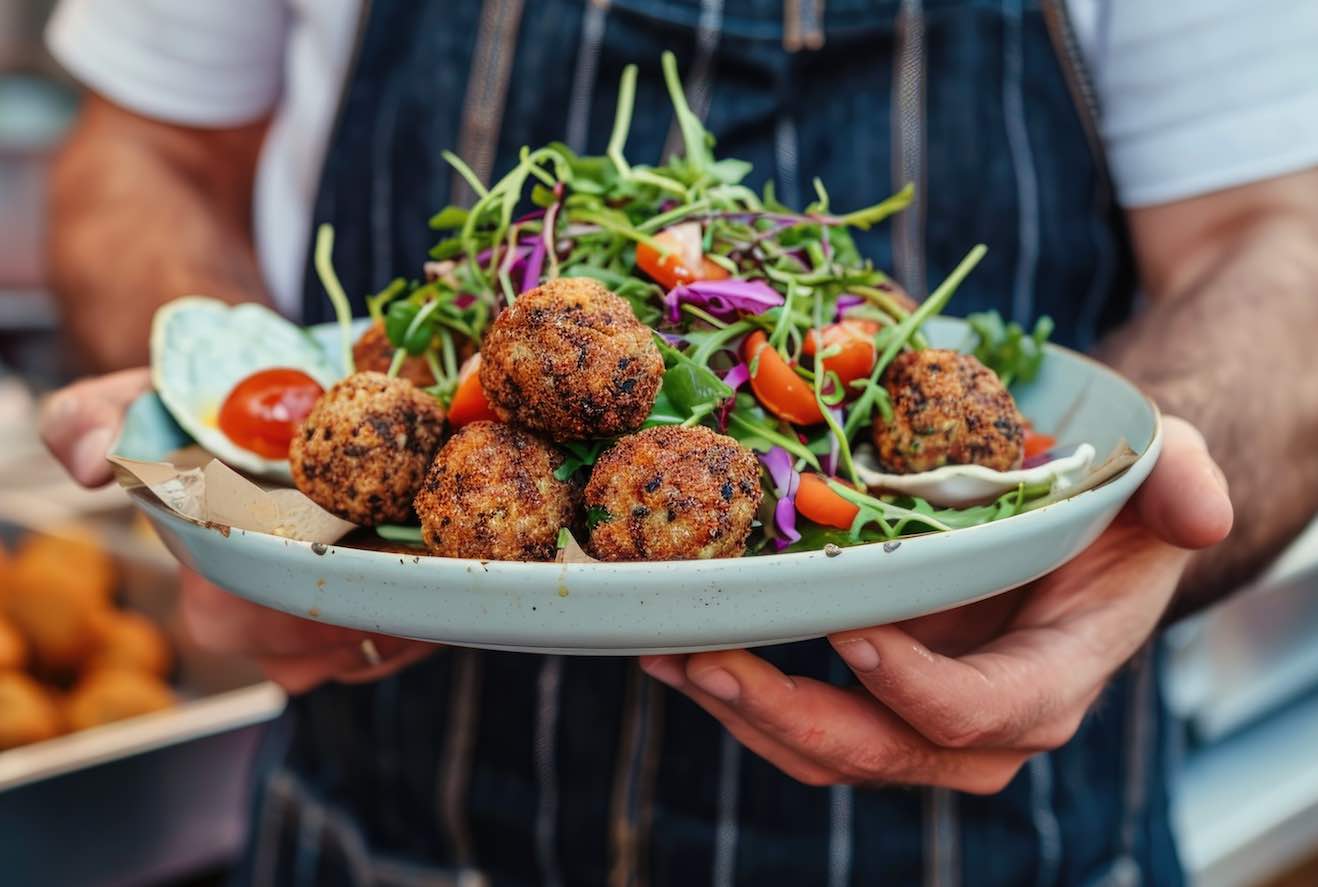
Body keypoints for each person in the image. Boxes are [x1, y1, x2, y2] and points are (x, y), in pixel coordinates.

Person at [36, 1, 1318, 884]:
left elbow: (1278, 240)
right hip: (384, 820)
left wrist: (1109, 507)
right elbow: (144, 153)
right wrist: (221, 459)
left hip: (982, 841)